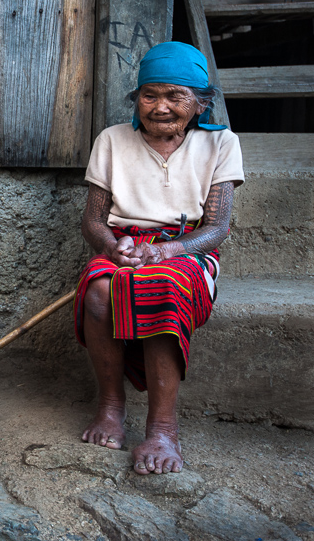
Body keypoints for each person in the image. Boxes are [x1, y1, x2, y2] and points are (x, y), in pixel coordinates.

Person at [74, 41, 244, 475]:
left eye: (175, 96)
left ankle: (162, 428)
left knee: (163, 288)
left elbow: (217, 227)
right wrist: (112, 245)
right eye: (150, 95)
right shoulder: (112, 140)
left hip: (188, 249)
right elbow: (93, 221)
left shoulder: (220, 143)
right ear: (137, 99)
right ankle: (111, 407)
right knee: (96, 292)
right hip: (126, 247)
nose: (161, 107)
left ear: (200, 102)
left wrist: (167, 250)